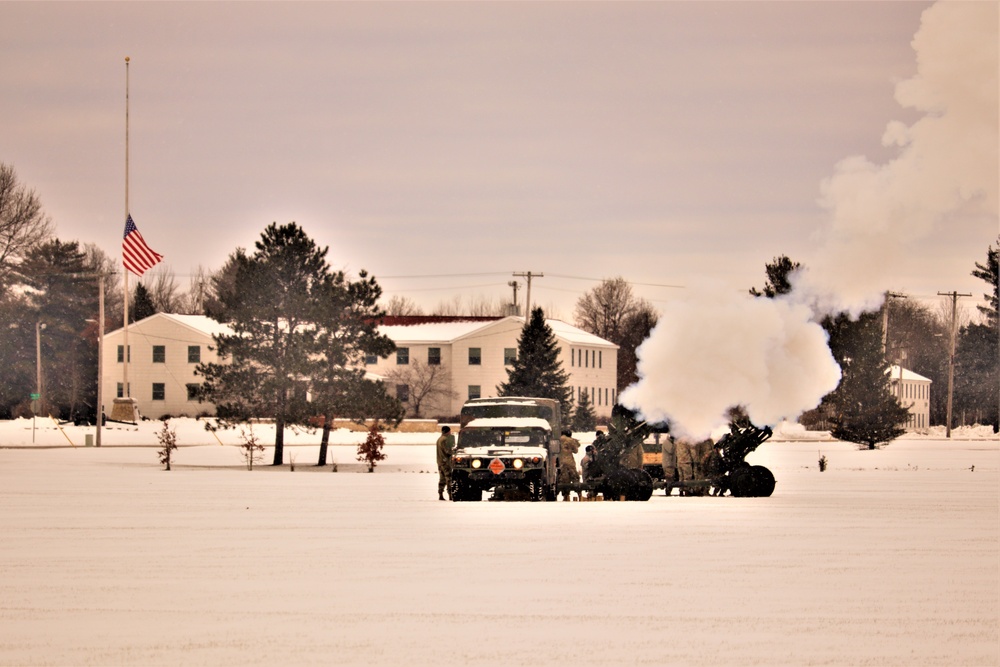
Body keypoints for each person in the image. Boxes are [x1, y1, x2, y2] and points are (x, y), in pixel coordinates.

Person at [558, 429, 581, 500]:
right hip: (569, 461)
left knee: (564, 479)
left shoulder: (557, 440)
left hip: (560, 462)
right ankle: (579, 495)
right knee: (575, 478)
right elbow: (576, 450)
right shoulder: (571, 440)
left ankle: (565, 496)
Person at [436, 425, 456, 501]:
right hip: (445, 462)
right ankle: (450, 495)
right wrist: (454, 451)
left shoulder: (439, 439)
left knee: (442, 479)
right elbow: (447, 451)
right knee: (449, 478)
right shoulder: (445, 440)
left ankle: (440, 494)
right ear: (448, 431)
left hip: (440, 462)